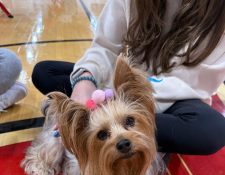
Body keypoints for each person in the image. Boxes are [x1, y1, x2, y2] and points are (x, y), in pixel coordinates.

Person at [32, 0, 225, 155]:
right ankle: (121, 125)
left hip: (174, 98)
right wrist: (85, 81)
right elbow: (105, 46)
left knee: (211, 131)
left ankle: (100, 127)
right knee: (44, 72)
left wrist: (122, 98)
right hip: (122, 87)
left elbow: (192, 81)